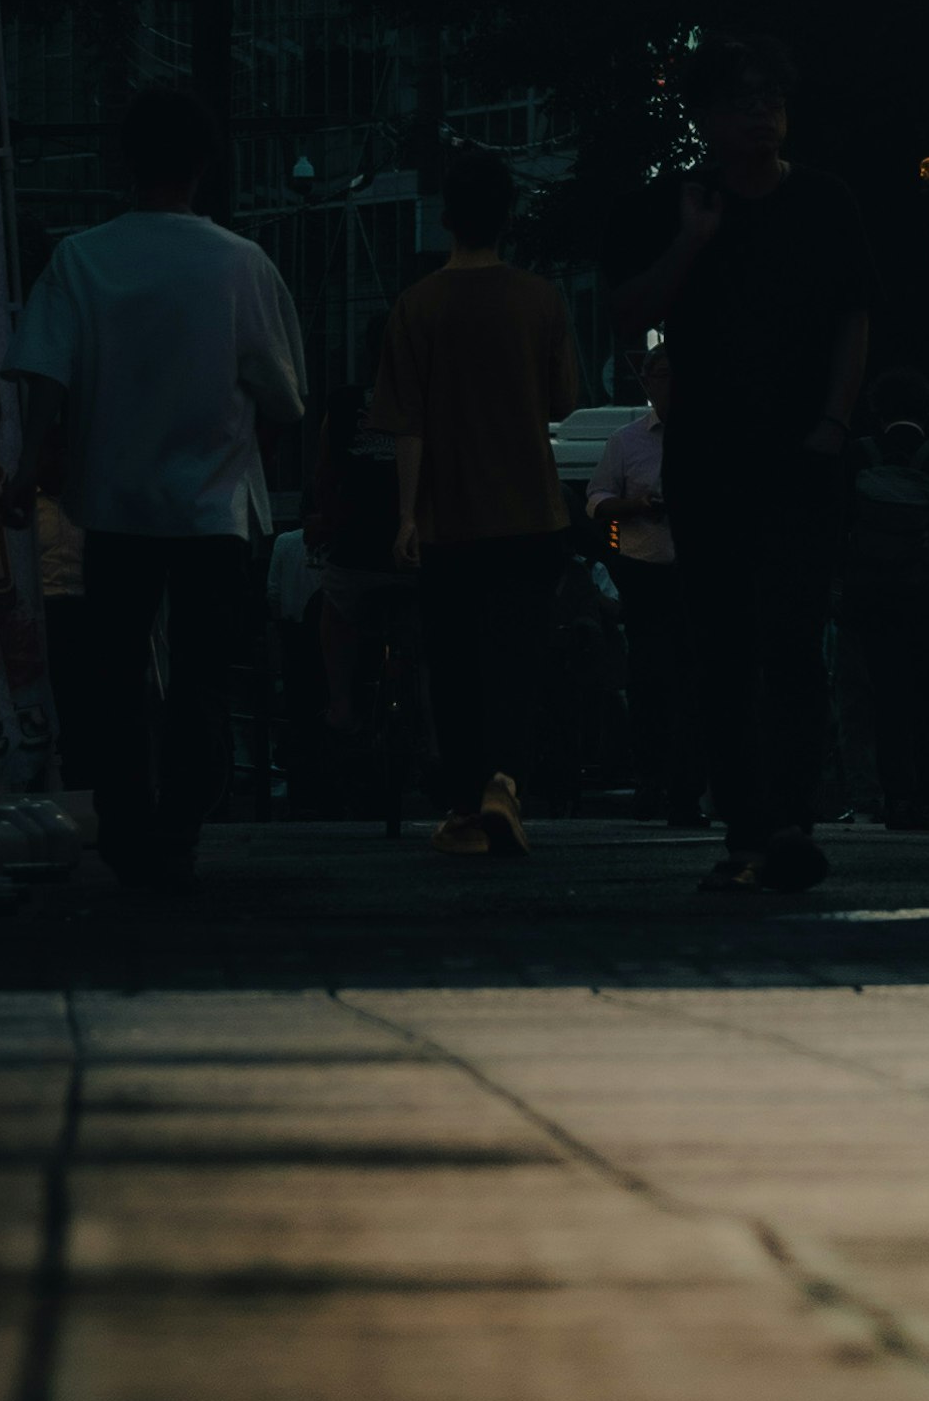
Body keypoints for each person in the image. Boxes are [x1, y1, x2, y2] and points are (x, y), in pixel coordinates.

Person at [5, 78, 305, 894]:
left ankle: (128, 820)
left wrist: (28, 466)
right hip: (213, 506)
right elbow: (283, 394)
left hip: (115, 502)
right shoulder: (240, 265)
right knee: (204, 676)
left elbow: (43, 379)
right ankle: (181, 823)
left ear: (123, 164)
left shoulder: (81, 258)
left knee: (113, 673)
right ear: (205, 165)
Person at [620, 46, 871, 899]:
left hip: (801, 455)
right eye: (740, 101)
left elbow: (853, 314)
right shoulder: (685, 201)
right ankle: (744, 829)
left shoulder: (825, 201)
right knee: (723, 645)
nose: (760, 115)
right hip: (709, 455)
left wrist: (835, 420)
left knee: (795, 639)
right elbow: (634, 310)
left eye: (771, 99)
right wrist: (692, 243)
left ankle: (791, 820)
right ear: (706, 120)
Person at [364, 147, 580, 861]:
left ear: (448, 218)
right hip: (531, 513)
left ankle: (462, 806)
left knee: (453, 668)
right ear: (507, 218)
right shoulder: (541, 301)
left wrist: (405, 516)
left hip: (448, 518)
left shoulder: (415, 306)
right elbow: (564, 401)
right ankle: (504, 784)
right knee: (516, 660)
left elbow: (407, 424)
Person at [837, 382, 929, 832]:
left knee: (886, 698)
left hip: (874, 598)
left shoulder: (858, 455)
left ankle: (896, 798)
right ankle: (926, 801)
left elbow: (835, 526)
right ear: (928, 413)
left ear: (877, 411)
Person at [586, 353, 700, 821]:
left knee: (693, 682)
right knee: (651, 679)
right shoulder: (625, 440)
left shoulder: (707, 438)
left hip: (694, 577)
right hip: (645, 574)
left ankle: (687, 788)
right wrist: (634, 506)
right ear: (648, 383)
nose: (670, 385)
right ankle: (652, 780)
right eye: (662, 374)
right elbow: (594, 501)